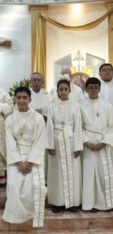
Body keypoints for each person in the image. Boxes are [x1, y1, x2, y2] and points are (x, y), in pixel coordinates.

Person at [2, 87, 46, 227]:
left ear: (29, 100)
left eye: (24, 98)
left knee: (34, 185)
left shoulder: (38, 118)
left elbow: (40, 140)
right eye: (19, 98)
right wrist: (19, 162)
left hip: (33, 156)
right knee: (14, 185)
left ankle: (32, 214)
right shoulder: (9, 119)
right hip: (16, 157)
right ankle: (15, 216)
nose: (22, 100)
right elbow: (9, 142)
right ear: (15, 99)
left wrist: (31, 162)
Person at [46, 79, 83, 213]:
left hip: (71, 141)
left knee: (73, 171)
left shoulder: (75, 106)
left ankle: (72, 202)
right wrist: (50, 144)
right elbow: (49, 125)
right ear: (57, 91)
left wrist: (78, 146)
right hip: (56, 141)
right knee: (56, 172)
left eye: (65, 89)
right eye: (60, 89)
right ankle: (57, 202)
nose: (63, 92)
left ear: (69, 91)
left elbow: (78, 126)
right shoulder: (52, 107)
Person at [81, 77, 113, 212]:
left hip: (103, 144)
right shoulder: (81, 106)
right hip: (87, 144)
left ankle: (107, 202)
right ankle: (91, 203)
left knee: (104, 174)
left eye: (95, 87)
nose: (93, 90)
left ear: (99, 89)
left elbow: (111, 126)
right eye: (90, 87)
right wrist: (86, 142)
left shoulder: (107, 106)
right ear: (86, 89)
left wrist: (104, 142)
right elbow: (78, 127)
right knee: (89, 174)